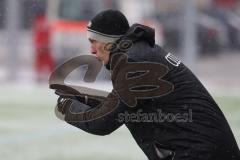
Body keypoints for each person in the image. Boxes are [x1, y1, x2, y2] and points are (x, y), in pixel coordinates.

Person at [54, 9, 240, 160]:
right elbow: (124, 108)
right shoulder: (138, 54)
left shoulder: (134, 62)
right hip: (206, 151)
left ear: (109, 42)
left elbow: (103, 123)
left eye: (94, 41)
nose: (91, 50)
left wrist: (66, 107)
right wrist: (84, 98)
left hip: (201, 153)